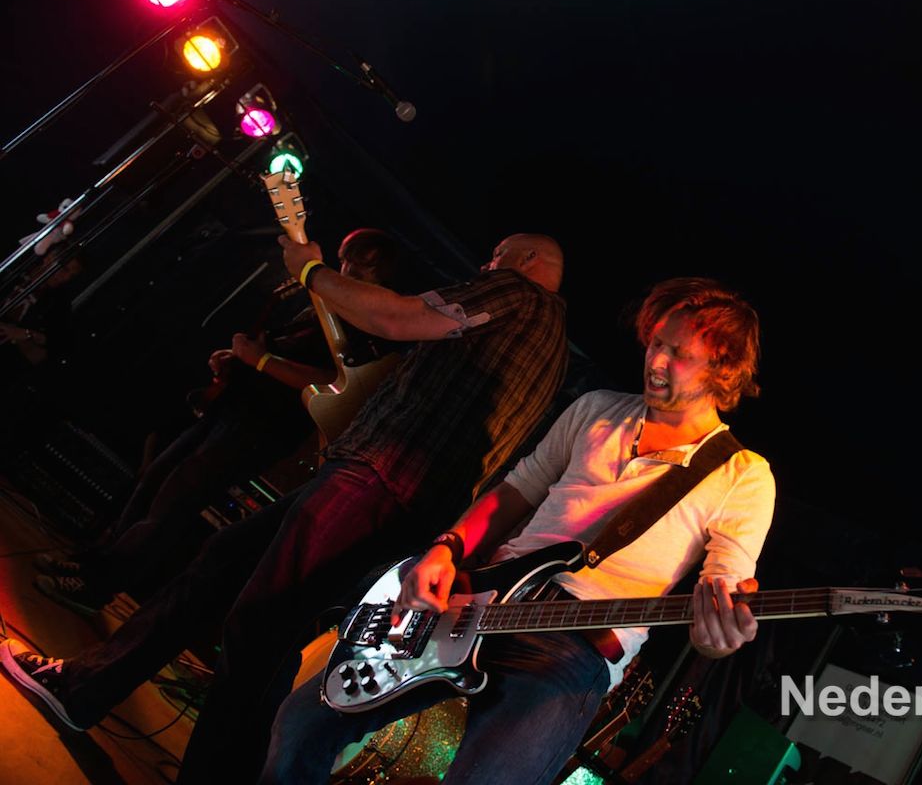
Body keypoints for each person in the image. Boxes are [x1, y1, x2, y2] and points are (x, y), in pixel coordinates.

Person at [0, 231, 568, 783]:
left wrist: (310, 270)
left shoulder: (518, 293)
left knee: (263, 629)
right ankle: (83, 689)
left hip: (380, 477)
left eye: (498, 254)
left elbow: (396, 317)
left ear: (527, 259)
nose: (487, 265)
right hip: (394, 488)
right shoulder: (553, 351)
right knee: (224, 564)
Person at [262, 276, 775, 785]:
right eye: (656, 342)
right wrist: (446, 549)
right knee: (305, 721)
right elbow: (516, 491)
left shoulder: (743, 475)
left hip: (574, 645)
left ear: (723, 370)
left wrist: (718, 638)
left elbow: (723, 593)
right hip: (482, 598)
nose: (656, 360)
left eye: (678, 354)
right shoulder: (596, 409)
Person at [31, 228, 405, 616]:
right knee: (153, 482)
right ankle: (91, 564)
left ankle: (96, 587)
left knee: (172, 503)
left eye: (364, 267)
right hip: (235, 407)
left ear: (385, 276)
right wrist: (238, 359)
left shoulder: (369, 326)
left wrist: (261, 361)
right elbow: (283, 352)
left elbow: (334, 382)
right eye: (346, 260)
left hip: (264, 427)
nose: (348, 271)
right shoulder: (324, 304)